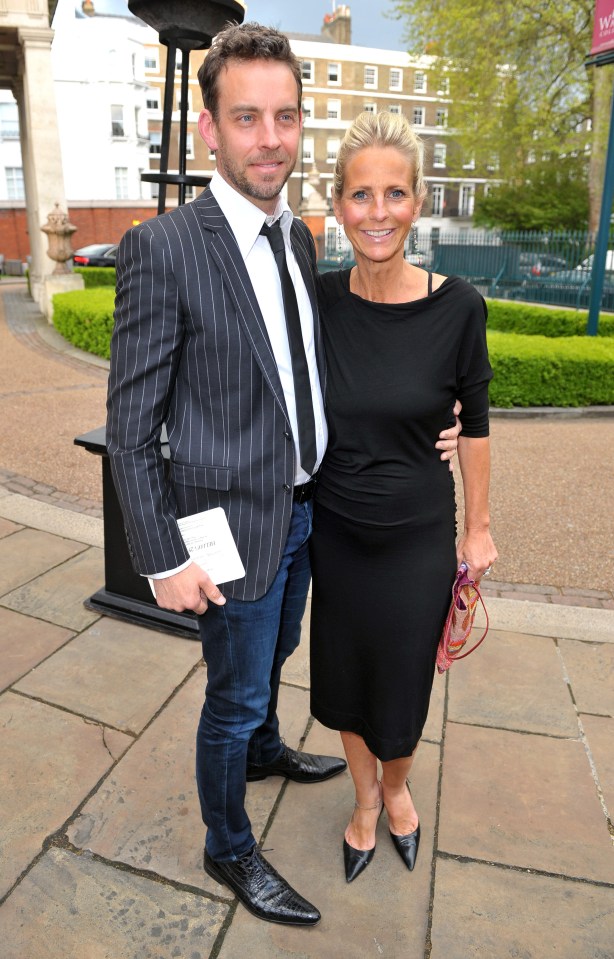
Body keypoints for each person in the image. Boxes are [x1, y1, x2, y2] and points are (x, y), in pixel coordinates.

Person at [106, 25, 461, 924]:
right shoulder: (164, 247)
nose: (271, 137)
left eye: (287, 117)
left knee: (277, 657)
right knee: (230, 696)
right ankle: (228, 846)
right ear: (210, 125)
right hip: (224, 528)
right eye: (248, 117)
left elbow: (337, 361)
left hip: (313, 515)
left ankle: (267, 746)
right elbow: (131, 427)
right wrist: (161, 556)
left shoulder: (298, 240)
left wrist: (433, 420)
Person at [309, 110, 498, 883]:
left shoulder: (459, 306)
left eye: (393, 193)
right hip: (336, 529)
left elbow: (476, 423)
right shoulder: (317, 301)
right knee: (346, 677)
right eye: (360, 195)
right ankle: (362, 800)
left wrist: (479, 528)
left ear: (418, 202)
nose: (376, 212)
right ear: (338, 205)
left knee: (405, 679)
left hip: (420, 533)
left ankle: (397, 789)